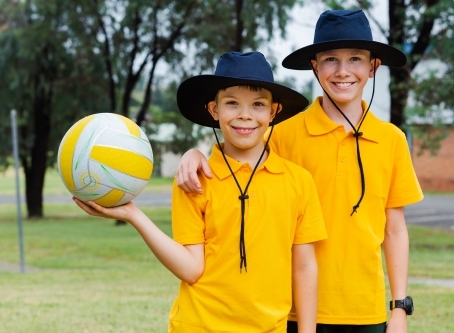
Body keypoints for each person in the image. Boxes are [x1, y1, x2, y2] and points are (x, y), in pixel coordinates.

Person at [175, 10, 424, 333]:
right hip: (294, 310)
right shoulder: (283, 134)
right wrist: (195, 153)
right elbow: (237, 142)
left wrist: (400, 308)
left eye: (356, 59)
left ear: (373, 67)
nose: (343, 71)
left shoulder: (392, 140)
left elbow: (394, 230)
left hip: (366, 309)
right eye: (331, 59)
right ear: (315, 66)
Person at [74, 51, 327, 333]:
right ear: (214, 110)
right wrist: (134, 215)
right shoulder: (193, 179)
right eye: (232, 103)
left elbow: (304, 268)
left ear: (273, 111)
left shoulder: (299, 181)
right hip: (197, 325)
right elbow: (192, 269)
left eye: (258, 104)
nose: (245, 115)